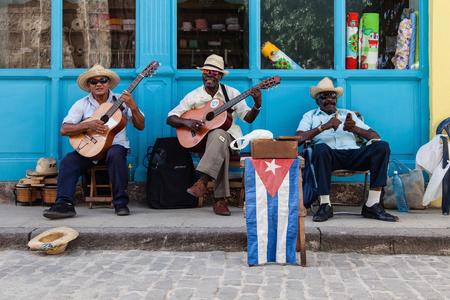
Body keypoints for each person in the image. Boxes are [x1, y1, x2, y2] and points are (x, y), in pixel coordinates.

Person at [43, 64, 145, 219]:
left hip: (114, 147)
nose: (99, 84)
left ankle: (121, 203)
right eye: (93, 81)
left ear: (109, 83)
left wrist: (133, 106)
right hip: (90, 149)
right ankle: (64, 204)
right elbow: (64, 129)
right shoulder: (82, 104)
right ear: (88, 86)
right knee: (68, 161)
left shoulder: (122, 100)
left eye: (103, 80)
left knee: (116, 154)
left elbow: (140, 126)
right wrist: (87, 124)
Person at [166, 54, 262, 216]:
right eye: (206, 72)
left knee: (220, 136)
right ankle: (219, 200)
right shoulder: (194, 96)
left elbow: (247, 117)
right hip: (201, 141)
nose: (209, 75)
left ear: (220, 76)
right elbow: (170, 118)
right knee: (218, 139)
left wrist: (257, 104)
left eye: (214, 72)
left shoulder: (231, 93)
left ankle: (203, 181)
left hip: (231, 141)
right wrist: (188, 123)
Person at [296, 77, 398, 222]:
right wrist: (324, 126)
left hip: (354, 155)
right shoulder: (310, 116)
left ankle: (372, 205)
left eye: (332, 96)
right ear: (317, 101)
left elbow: (375, 136)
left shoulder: (347, 114)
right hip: (329, 157)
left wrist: (353, 128)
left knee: (382, 146)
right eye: (324, 97)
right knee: (320, 149)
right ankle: (325, 205)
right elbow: (298, 139)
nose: (329, 100)